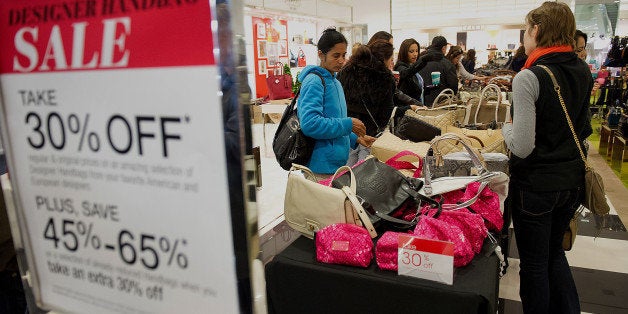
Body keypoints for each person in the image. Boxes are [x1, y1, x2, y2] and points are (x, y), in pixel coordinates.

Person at [501, 2, 592, 313]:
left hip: (536, 187)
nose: (525, 37)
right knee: (554, 254)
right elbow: (584, 130)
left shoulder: (530, 77)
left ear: (536, 31)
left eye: (526, 30)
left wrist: (505, 128)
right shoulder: (582, 70)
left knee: (535, 264)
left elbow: (522, 146)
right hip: (570, 182)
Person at [297, 28, 371, 179]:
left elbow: (333, 120)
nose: (341, 60)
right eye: (336, 55)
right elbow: (310, 123)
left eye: (344, 55)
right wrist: (348, 124)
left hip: (336, 164)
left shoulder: (335, 81)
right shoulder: (314, 82)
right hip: (319, 167)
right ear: (320, 54)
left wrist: (356, 138)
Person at [338, 39, 422, 164]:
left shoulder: (346, 72)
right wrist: (409, 108)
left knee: (345, 176)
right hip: (370, 137)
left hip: (347, 135)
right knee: (363, 176)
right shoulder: (384, 78)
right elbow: (385, 114)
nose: (392, 63)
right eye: (390, 60)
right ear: (384, 60)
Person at [418, 36, 458, 107]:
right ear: (443, 48)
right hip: (441, 105)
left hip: (421, 104)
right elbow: (453, 87)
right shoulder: (447, 64)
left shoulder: (419, 60)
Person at [394, 38, 436, 104]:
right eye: (411, 51)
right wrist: (422, 61)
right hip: (408, 108)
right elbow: (407, 73)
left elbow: (420, 90)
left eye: (417, 51)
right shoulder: (400, 67)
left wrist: (433, 87)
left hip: (418, 106)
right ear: (404, 52)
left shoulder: (412, 68)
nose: (415, 54)